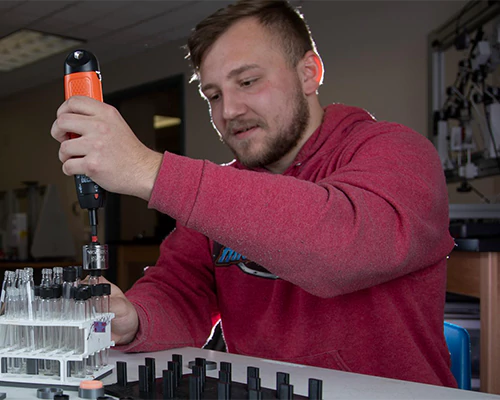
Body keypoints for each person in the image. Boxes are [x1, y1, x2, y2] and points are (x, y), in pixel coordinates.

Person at [51, 0, 457, 387]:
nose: (228, 111)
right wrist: (133, 318)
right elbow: (179, 292)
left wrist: (148, 170)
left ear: (308, 73)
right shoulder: (219, 197)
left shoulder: (398, 153)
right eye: (213, 95)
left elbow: (341, 245)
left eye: (247, 81)